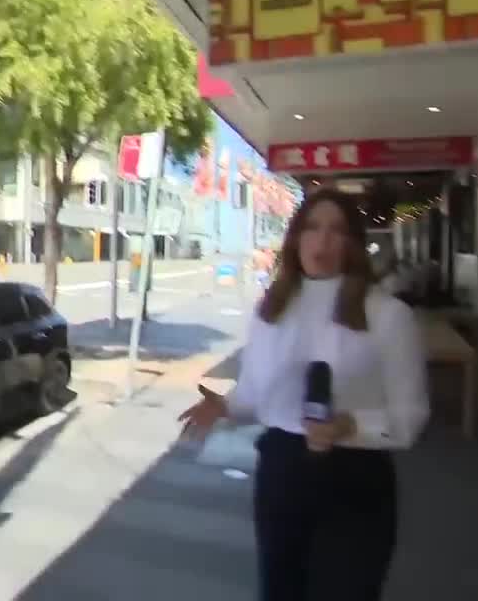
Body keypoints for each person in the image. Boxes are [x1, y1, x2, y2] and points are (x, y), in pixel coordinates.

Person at [179, 189, 429, 601]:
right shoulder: (272, 309)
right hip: (283, 473)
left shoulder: (388, 314)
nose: (323, 241)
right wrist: (225, 405)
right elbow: (257, 395)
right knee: (281, 590)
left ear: (353, 243)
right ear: (295, 238)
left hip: (357, 479)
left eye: (337, 231)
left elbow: (410, 415)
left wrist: (351, 426)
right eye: (312, 228)